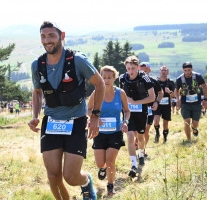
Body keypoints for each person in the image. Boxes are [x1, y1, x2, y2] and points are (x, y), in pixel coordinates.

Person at [28, 21, 105, 200]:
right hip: (51, 122)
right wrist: (35, 116)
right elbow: (38, 92)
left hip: (76, 122)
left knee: (70, 177)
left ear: (62, 36)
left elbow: (99, 83)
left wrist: (95, 115)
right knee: (53, 176)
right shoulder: (37, 65)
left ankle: (86, 182)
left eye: (51, 36)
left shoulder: (77, 60)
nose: (47, 40)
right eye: (43, 36)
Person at [87, 66, 130, 197]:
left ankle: (110, 186)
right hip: (99, 133)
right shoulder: (96, 92)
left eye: (109, 77)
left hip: (115, 132)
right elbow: (88, 109)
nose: (106, 80)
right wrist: (95, 117)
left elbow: (127, 111)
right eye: (104, 77)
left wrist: (125, 122)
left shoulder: (120, 93)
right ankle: (102, 168)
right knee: (101, 163)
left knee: (111, 161)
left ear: (114, 78)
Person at [119, 56, 155, 177]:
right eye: (128, 68)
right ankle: (133, 165)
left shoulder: (145, 78)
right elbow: (120, 95)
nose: (131, 71)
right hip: (128, 112)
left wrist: (135, 102)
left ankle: (141, 153)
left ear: (138, 67)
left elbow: (152, 97)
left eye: (133, 68)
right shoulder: (122, 79)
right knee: (129, 137)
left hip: (141, 111)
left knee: (140, 136)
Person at [174, 62, 207, 141]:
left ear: (192, 68)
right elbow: (176, 90)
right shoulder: (179, 79)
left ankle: (194, 128)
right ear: (183, 70)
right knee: (187, 122)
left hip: (197, 103)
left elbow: (204, 86)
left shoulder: (198, 76)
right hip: (185, 103)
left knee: (195, 123)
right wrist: (178, 100)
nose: (187, 72)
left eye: (189, 70)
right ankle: (189, 139)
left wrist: (205, 99)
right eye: (185, 70)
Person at [138, 62, 163, 156]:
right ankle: (139, 144)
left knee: (146, 130)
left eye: (146, 69)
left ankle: (143, 150)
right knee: (137, 131)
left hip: (149, 108)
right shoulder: (133, 81)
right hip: (137, 108)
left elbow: (161, 93)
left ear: (149, 70)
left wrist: (157, 102)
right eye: (141, 68)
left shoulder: (153, 81)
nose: (143, 70)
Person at [153, 65, 175, 143]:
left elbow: (174, 95)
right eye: (162, 70)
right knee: (156, 121)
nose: (163, 71)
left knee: (165, 124)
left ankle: (165, 138)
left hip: (166, 106)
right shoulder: (155, 82)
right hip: (158, 105)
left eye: (165, 70)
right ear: (159, 72)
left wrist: (169, 92)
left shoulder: (171, 82)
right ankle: (157, 133)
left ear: (168, 72)